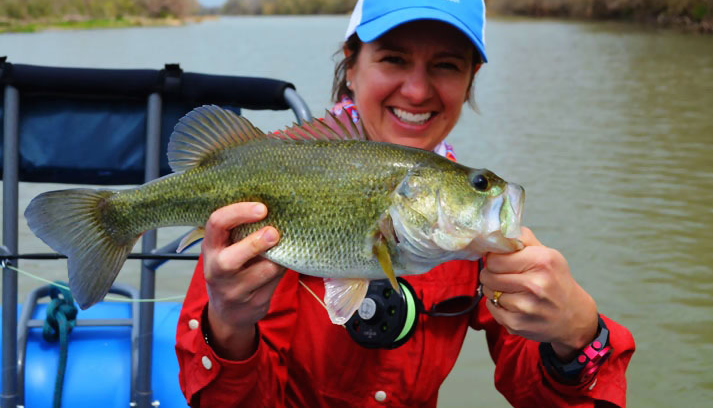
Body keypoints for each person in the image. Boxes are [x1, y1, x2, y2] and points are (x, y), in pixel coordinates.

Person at [175, 1, 635, 406]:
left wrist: (577, 336)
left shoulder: (462, 228)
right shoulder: (265, 184)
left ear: (471, 79)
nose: (416, 91)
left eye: (447, 65)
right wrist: (229, 326)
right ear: (350, 66)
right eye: (394, 59)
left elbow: (539, 390)